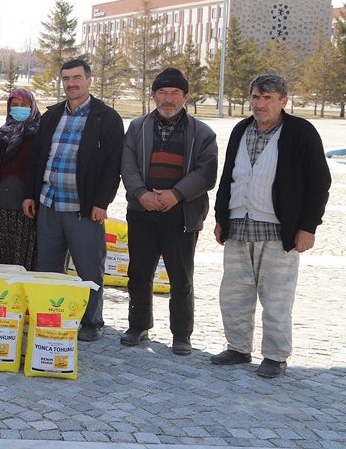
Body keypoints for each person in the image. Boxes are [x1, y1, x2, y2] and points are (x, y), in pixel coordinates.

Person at [210, 74, 330, 379]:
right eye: (255, 97)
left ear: (283, 101)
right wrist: (221, 218)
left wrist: (308, 227)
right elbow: (229, 176)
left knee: (276, 298)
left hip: (279, 231)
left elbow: (319, 183)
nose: (260, 104)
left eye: (267, 98)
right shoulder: (241, 129)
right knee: (234, 295)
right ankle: (238, 348)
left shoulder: (300, 132)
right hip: (239, 226)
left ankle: (276, 356)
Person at [119, 68, 218, 355]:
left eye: (175, 93)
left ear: (186, 96)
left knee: (181, 277)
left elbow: (206, 172)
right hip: (143, 212)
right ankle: (138, 326)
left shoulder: (202, 132)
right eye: (162, 92)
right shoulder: (137, 128)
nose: (168, 98)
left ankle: (182, 334)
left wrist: (176, 194)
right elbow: (128, 165)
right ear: (153, 95)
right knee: (138, 273)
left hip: (182, 215)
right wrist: (141, 194)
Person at [24, 58, 123, 342]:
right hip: (49, 203)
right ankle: (51, 317)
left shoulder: (107, 118)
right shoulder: (52, 115)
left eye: (77, 78)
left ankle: (92, 321)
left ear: (89, 81)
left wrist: (101, 203)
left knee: (89, 267)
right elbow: (38, 159)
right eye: (66, 78)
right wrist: (31, 195)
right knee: (48, 268)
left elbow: (112, 166)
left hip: (84, 208)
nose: (71, 83)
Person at [0, 88, 41, 268]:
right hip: (0, 204)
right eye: (14, 105)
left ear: (32, 107)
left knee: (24, 258)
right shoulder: (1, 132)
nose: (18, 108)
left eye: (23, 105)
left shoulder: (41, 134)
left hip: (26, 204)